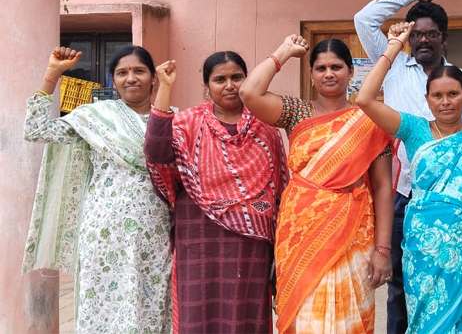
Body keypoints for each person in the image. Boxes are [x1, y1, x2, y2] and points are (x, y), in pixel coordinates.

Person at [356, 21, 462, 333]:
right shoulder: (414, 129)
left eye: (453, 94)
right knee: (425, 322)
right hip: (422, 250)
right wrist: (393, 47)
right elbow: (365, 100)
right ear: (427, 100)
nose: (446, 101)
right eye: (437, 95)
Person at [239, 35, 394, 333]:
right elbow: (249, 93)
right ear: (311, 74)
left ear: (350, 71)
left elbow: (384, 186)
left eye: (336, 67)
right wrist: (283, 51)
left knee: (350, 307)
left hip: (354, 231)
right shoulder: (297, 112)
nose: (329, 74)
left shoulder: (371, 119)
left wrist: (383, 250)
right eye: (321, 68)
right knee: (304, 305)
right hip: (300, 229)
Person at [23, 46, 172, 333]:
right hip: (104, 233)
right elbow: (36, 130)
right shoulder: (94, 117)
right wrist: (52, 75)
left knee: (152, 307)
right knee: (101, 307)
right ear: (113, 80)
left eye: (139, 71)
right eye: (122, 73)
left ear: (154, 78)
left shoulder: (174, 118)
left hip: (156, 234)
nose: (131, 78)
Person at [144, 52, 288, 333]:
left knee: (246, 310)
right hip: (199, 231)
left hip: (251, 237)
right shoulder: (187, 123)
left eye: (237, 77)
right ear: (206, 87)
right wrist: (165, 89)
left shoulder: (265, 127)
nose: (230, 85)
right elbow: (156, 152)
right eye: (219, 79)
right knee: (198, 308)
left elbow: (277, 187)